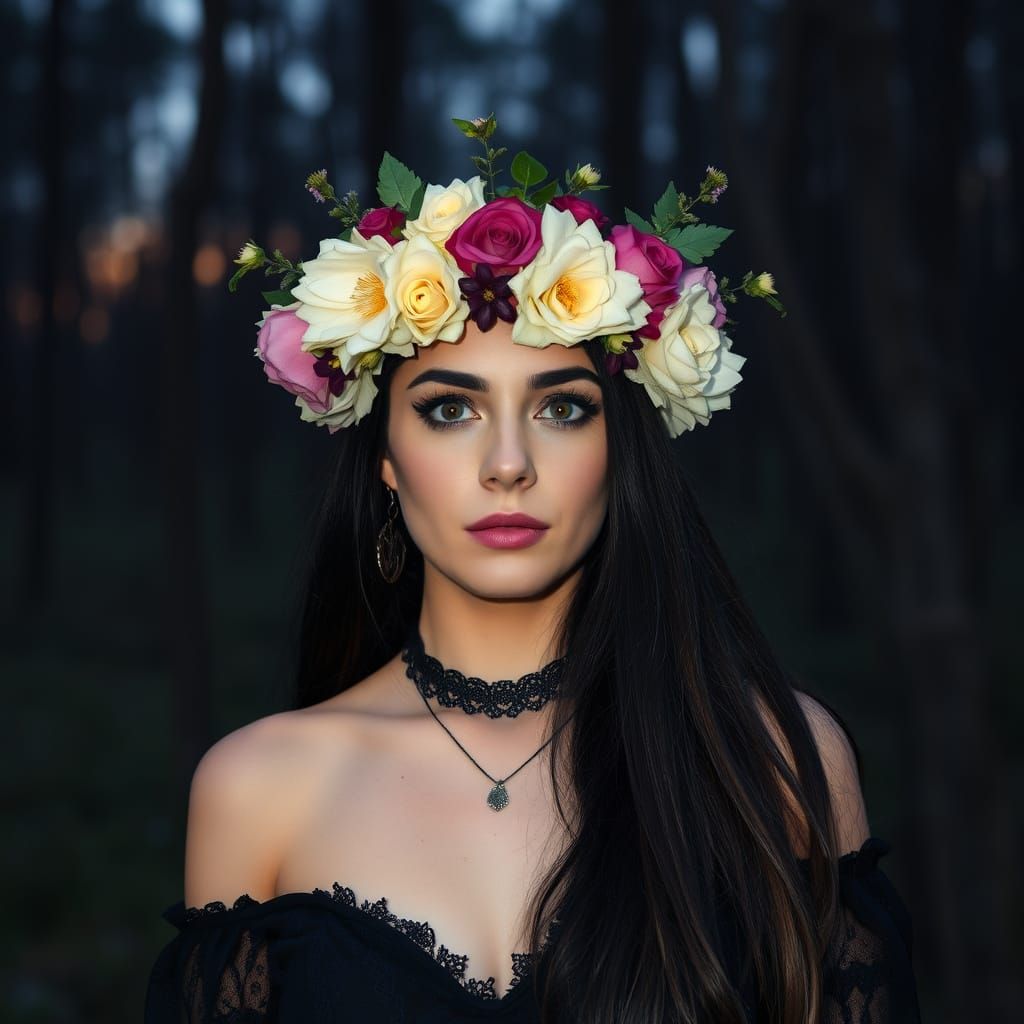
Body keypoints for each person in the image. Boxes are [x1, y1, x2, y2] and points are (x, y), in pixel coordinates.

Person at [145, 125, 922, 1022]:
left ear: (620, 452)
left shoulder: (773, 756)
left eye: (562, 408)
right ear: (385, 462)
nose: (508, 464)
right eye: (450, 410)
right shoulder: (258, 790)